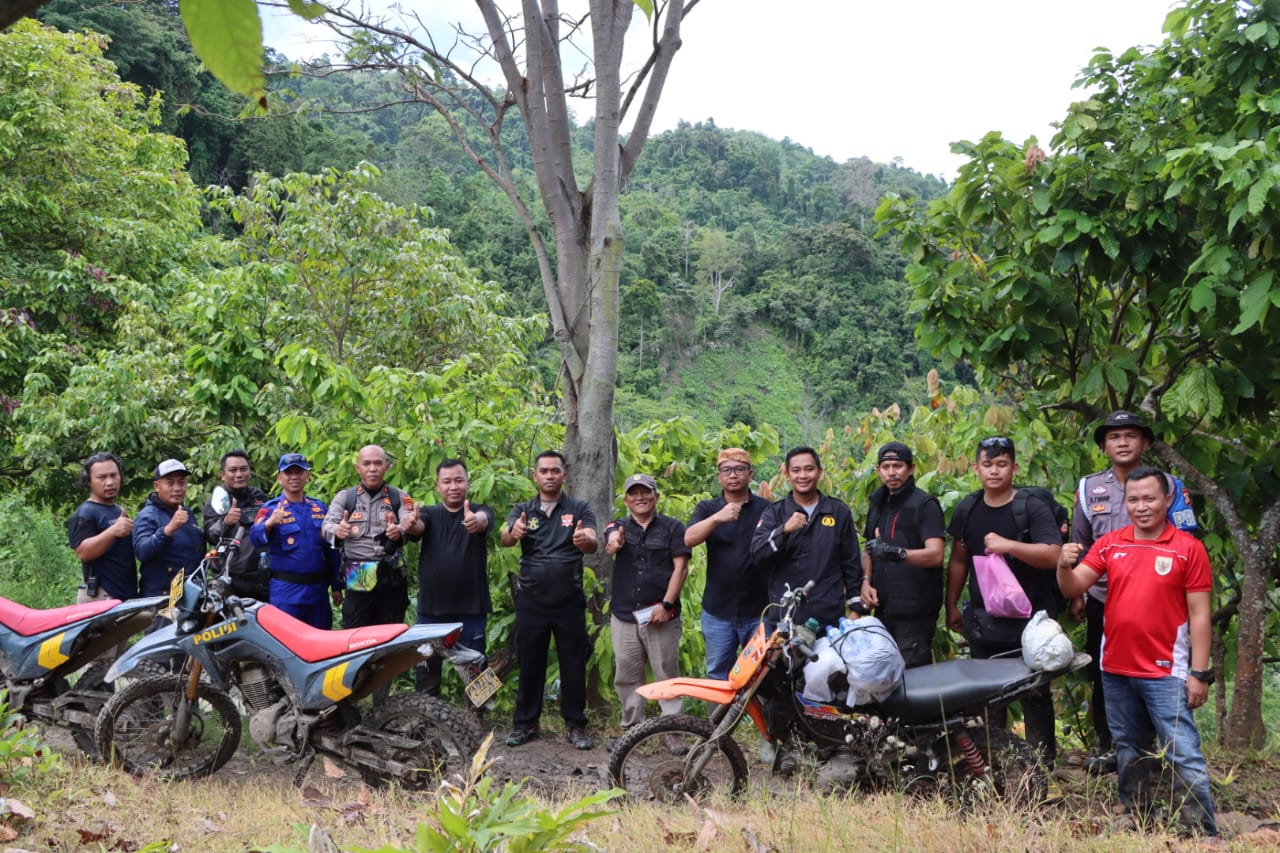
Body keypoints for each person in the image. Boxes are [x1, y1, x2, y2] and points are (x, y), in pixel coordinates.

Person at [1056, 466, 1217, 838]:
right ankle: (1140, 820)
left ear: (1167, 499)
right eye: (1133, 499)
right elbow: (1073, 586)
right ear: (1124, 501)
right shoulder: (1111, 543)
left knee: (1182, 752)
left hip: (1166, 672)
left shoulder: (1188, 549)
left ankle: (1203, 832)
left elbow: (1200, 614)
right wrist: (1063, 566)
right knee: (1129, 750)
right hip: (1115, 669)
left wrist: (1199, 673)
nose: (1141, 506)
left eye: (1149, 498)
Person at [1072, 410, 1198, 775]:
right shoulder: (1088, 488)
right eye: (1113, 437)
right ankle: (1110, 746)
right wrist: (1076, 595)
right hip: (1103, 600)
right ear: (1103, 446)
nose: (1122, 442)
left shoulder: (1170, 486)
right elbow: (1078, 543)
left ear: (1144, 442)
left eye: (1130, 435)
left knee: (1161, 675)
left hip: (1159, 603)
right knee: (1104, 673)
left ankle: (1158, 748)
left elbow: (1188, 543)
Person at [944, 436, 1063, 766]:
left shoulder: (1030, 508)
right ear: (975, 468)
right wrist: (951, 604)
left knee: (1035, 696)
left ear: (1014, 467)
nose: (994, 471)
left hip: (1032, 622)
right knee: (987, 697)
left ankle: (1042, 768)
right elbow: (958, 560)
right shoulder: (967, 508)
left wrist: (1009, 546)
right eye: (987, 464)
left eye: (1001, 464)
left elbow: (1053, 555)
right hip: (985, 619)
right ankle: (995, 765)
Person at [499, 450, 598, 750]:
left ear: (565, 473)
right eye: (544, 471)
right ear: (535, 475)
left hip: (569, 599)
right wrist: (513, 532)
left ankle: (575, 725)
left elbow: (593, 541)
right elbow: (505, 536)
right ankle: (526, 724)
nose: (550, 475)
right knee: (531, 663)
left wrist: (585, 541)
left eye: (555, 470)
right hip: (531, 599)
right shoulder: (523, 509)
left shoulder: (579, 508)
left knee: (573, 663)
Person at [604, 473, 691, 728]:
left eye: (645, 492)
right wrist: (614, 542)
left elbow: (681, 569)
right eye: (634, 493)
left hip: (660, 615)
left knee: (666, 673)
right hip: (624, 615)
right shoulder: (617, 526)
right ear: (626, 500)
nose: (640, 497)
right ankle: (632, 727)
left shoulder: (673, 527)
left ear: (656, 496)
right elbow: (610, 542)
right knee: (627, 674)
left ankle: (671, 728)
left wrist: (666, 605)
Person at [749, 446, 860, 628]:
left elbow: (851, 563)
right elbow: (757, 554)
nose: (803, 476)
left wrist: (856, 609)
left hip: (829, 617)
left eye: (809, 469)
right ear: (787, 475)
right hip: (785, 618)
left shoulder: (838, 512)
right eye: (796, 470)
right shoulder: (775, 513)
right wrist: (783, 530)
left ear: (820, 473)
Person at [409, 458, 494, 695]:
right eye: (446, 482)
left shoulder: (480, 510)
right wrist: (412, 523)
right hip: (431, 610)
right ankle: (423, 722)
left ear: (468, 483)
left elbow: (483, 522)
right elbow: (418, 528)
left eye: (458, 480)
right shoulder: (429, 513)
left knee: (477, 667)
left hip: (471, 608)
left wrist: (475, 521)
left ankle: (478, 720)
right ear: (438, 486)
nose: (453, 486)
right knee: (425, 668)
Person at [685, 448, 770, 679]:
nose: (733, 475)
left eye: (739, 469)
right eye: (727, 470)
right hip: (718, 612)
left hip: (759, 611)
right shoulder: (708, 508)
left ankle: (758, 717)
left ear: (750, 474)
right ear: (719, 476)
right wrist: (717, 518)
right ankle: (721, 718)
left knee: (762, 676)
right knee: (718, 674)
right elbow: (689, 538)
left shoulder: (766, 508)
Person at [859, 441, 946, 668]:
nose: (892, 472)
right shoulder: (878, 504)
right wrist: (866, 582)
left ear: (911, 469)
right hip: (884, 611)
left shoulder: (925, 504)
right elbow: (870, 547)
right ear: (878, 470)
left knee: (913, 685)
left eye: (897, 466)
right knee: (883, 681)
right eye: (886, 467)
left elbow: (936, 555)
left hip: (915, 614)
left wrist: (895, 553)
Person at [322, 445, 421, 630]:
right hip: (359, 573)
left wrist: (400, 529)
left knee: (391, 632)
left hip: (391, 574)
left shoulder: (399, 496)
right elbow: (326, 526)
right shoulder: (345, 497)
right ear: (357, 467)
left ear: (387, 466)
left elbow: (409, 518)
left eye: (378, 463)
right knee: (356, 631)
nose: (372, 468)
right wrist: (338, 530)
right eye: (366, 463)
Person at [250, 453, 342, 629]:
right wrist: (269, 524)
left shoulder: (320, 508)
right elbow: (254, 539)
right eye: (288, 473)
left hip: (318, 592)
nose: (294, 477)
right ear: (279, 478)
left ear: (307, 476)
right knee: (286, 643)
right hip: (286, 591)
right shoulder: (270, 508)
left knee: (321, 641)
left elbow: (331, 549)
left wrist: (337, 585)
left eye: (299, 472)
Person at [67, 452, 136, 602]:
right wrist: (112, 531)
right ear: (88, 481)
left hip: (123, 595)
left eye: (114, 475)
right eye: (102, 477)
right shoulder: (85, 513)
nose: (110, 482)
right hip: (100, 596)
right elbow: (83, 553)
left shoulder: (118, 510)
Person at [202, 449, 270, 602]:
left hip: (261, 577)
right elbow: (210, 535)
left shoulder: (258, 496)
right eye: (233, 470)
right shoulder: (217, 500)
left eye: (243, 469)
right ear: (222, 474)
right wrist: (225, 522)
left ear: (250, 472)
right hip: (230, 579)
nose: (239, 474)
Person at [133, 458, 205, 597]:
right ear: (156, 486)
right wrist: (168, 529)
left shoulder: (186, 512)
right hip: (161, 597)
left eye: (181, 482)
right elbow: (141, 551)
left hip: (190, 595)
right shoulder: (147, 515)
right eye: (170, 483)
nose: (177, 488)